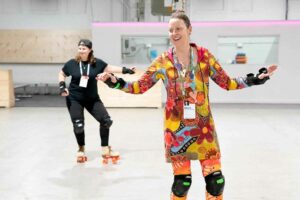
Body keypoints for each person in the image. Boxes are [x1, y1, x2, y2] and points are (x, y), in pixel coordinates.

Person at [98, 11, 277, 200]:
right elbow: (138, 87)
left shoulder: (204, 56)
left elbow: (227, 83)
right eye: (170, 30)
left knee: (216, 183)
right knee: (182, 184)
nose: (174, 33)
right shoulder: (162, 62)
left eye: (178, 29)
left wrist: (255, 79)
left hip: (203, 128)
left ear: (189, 29)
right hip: (177, 131)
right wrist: (114, 81)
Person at [58, 39, 135, 164]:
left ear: (90, 50)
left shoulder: (97, 63)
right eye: (80, 48)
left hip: (92, 99)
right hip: (74, 98)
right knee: (78, 125)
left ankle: (105, 148)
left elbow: (110, 68)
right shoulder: (72, 63)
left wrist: (126, 70)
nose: (81, 50)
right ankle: (81, 148)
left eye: (84, 48)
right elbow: (62, 73)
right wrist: (62, 86)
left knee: (106, 121)